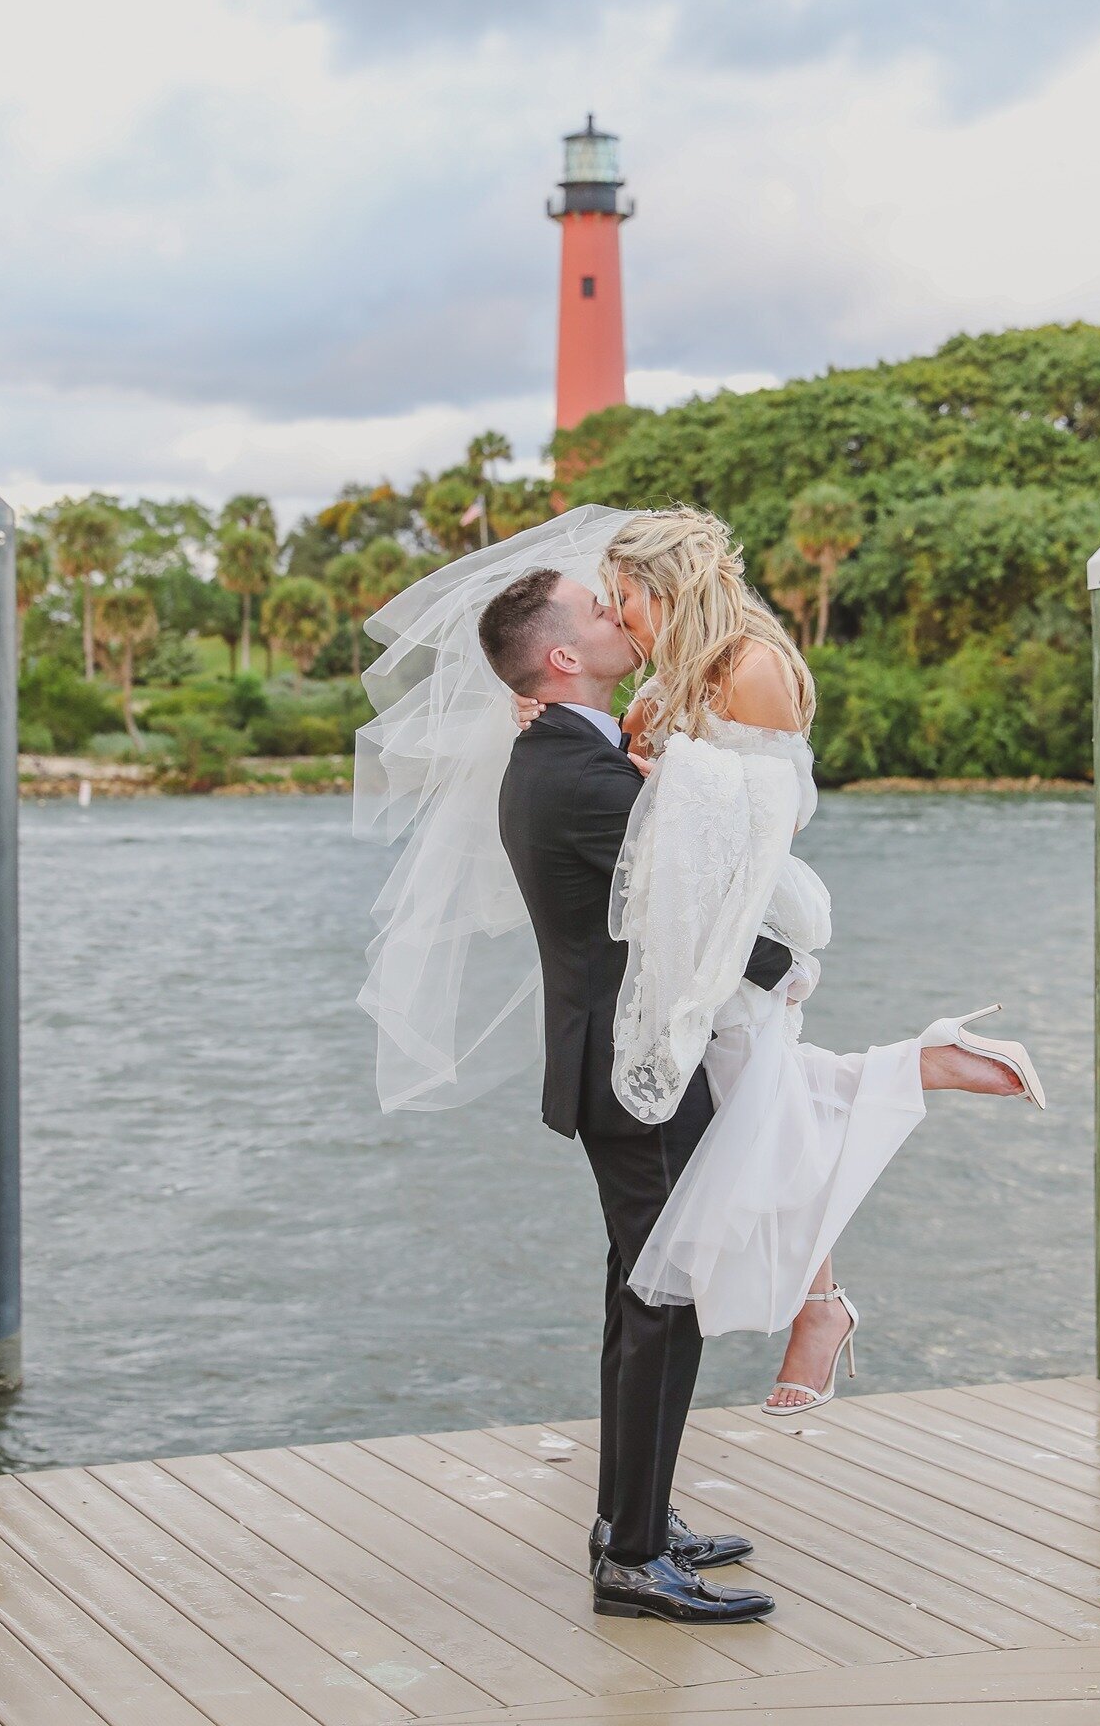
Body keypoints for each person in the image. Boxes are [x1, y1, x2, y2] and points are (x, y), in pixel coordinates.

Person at [512, 505, 1044, 1417]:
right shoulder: (674, 677)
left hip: (747, 911)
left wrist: (662, 779)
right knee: (758, 1111)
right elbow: (631, 773)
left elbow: (779, 813)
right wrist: (579, 728)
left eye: (627, 600)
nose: (622, 619)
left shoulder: (754, 668)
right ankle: (910, 1099)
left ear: (665, 587)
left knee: (757, 1110)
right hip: (699, 923)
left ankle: (824, 1294)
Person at [478, 565, 783, 1623]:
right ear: (562, 657)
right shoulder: (578, 774)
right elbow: (696, 898)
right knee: (667, 1294)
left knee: (639, 1292)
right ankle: (634, 1559)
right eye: (600, 613)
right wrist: (788, 965)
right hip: (634, 1073)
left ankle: (630, 1523)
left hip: (619, 1061)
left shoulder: (574, 751)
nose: (619, 619)